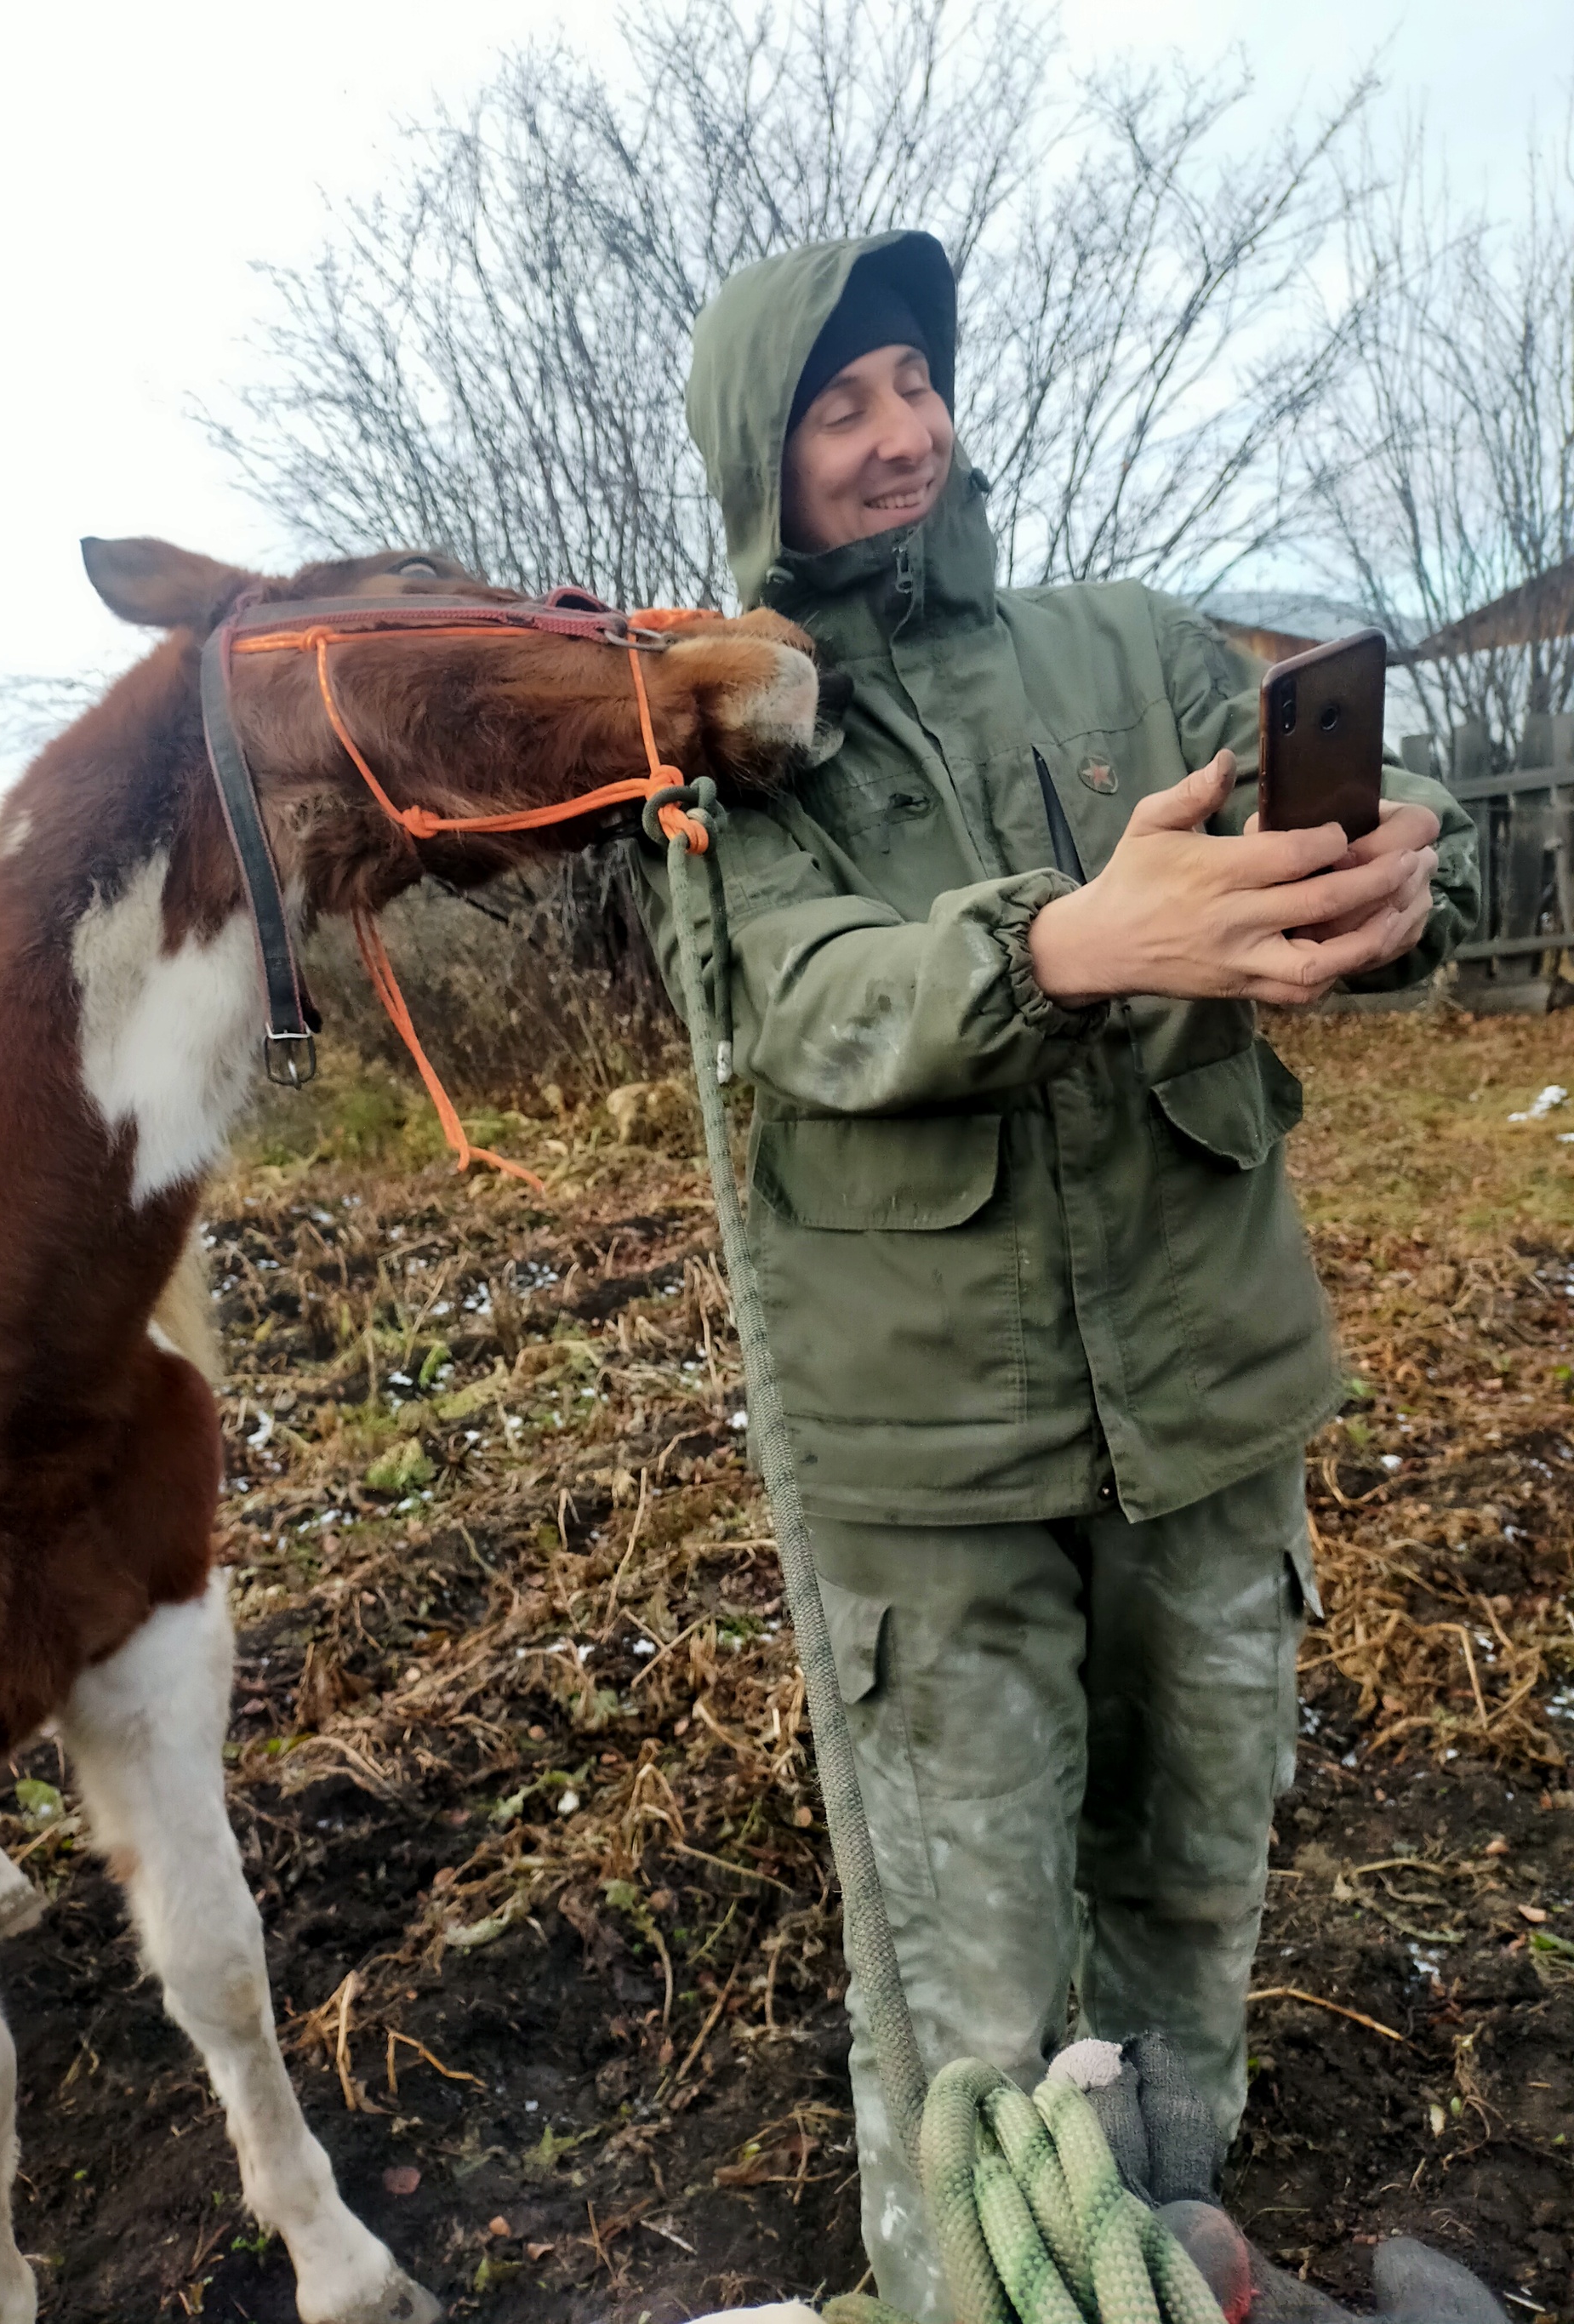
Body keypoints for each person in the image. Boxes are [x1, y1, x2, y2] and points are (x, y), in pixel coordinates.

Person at [630, 230, 1480, 2321]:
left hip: (1203, 1390)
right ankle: (967, 2292)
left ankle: (1170, 2259)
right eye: (840, 407)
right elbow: (807, 1009)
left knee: (1191, 1892)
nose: (901, 433)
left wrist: (1382, 873)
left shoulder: (1121, 649)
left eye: (913, 380)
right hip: (931, 1456)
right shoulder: (726, 736)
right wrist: (1071, 943)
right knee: (971, 1971)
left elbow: (1359, 792)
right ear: (766, 452)